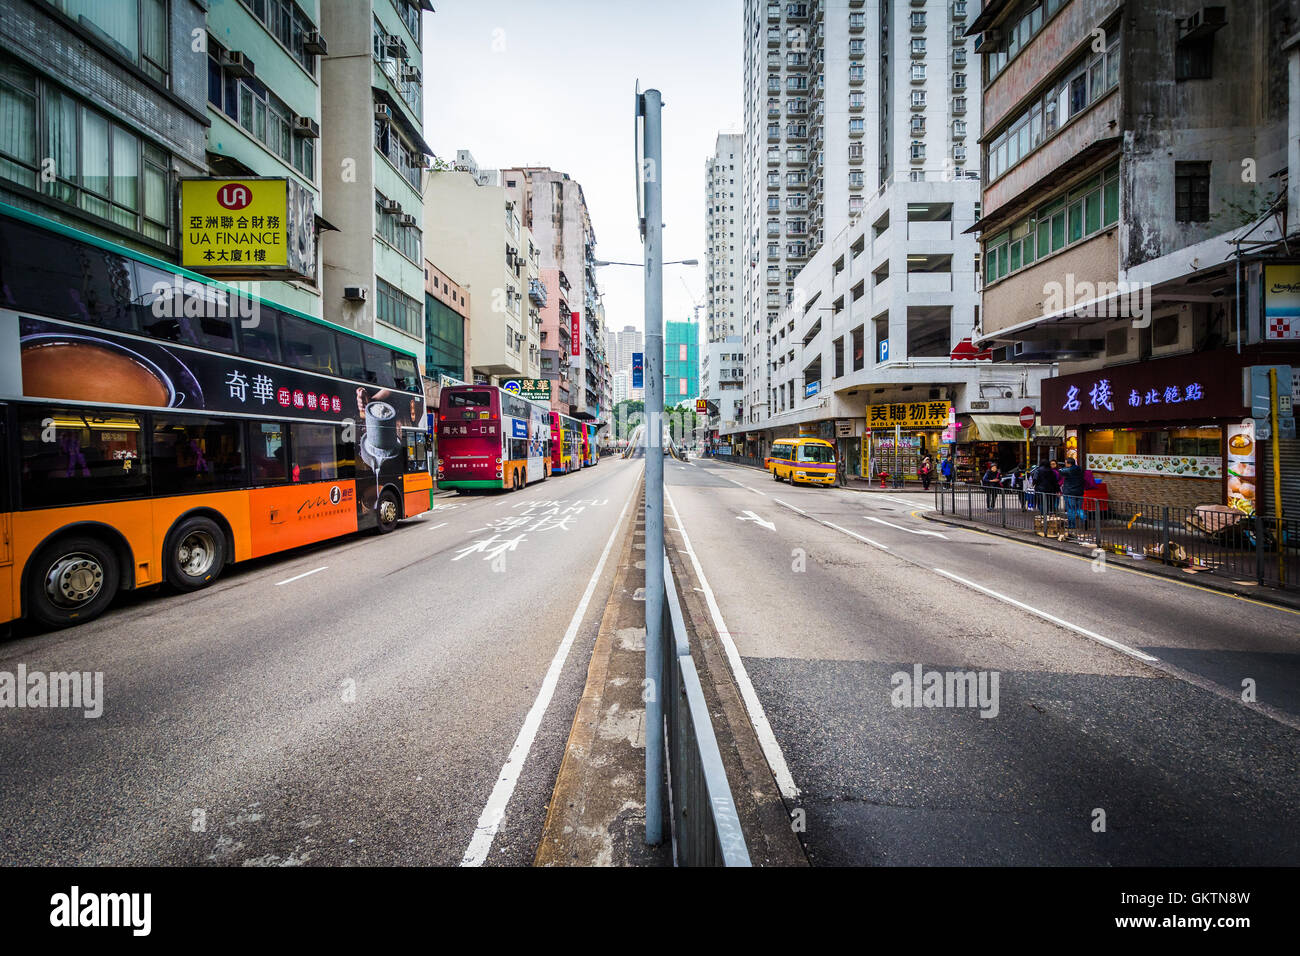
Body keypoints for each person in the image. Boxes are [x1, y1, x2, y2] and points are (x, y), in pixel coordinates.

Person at [1060, 456, 1087, 528]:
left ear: (1069, 464)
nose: (1065, 464)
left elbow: (1060, 471)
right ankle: (1084, 518)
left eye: (1066, 463)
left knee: (1070, 509)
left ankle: (1072, 525)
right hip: (1079, 492)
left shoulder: (1068, 470)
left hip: (1069, 492)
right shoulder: (1079, 469)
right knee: (1078, 508)